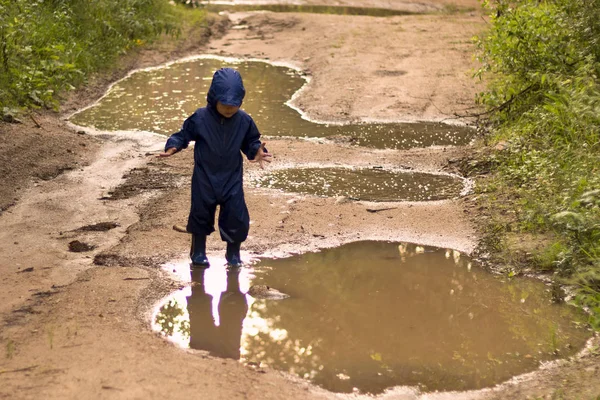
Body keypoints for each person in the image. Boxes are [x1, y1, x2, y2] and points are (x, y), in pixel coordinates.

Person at [158, 67, 272, 267]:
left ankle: (233, 254)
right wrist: (172, 147)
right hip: (205, 177)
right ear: (214, 99)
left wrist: (257, 151)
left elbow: (251, 141)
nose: (229, 109)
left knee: (236, 216)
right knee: (200, 214)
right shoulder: (200, 118)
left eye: (234, 105)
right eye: (225, 104)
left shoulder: (244, 120)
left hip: (231, 178)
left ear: (240, 102)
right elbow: (183, 135)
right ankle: (199, 252)